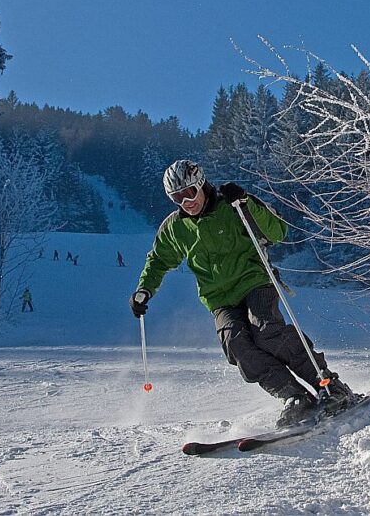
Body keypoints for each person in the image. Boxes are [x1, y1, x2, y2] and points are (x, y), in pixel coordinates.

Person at [129, 159, 355, 426]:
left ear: (201, 184)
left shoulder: (232, 205)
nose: (185, 202)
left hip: (254, 281)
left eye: (189, 193)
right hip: (219, 298)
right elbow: (158, 260)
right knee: (236, 346)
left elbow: (278, 231)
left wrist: (246, 203)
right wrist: (144, 289)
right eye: (177, 197)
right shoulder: (176, 227)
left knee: (267, 331)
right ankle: (294, 396)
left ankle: (329, 385)